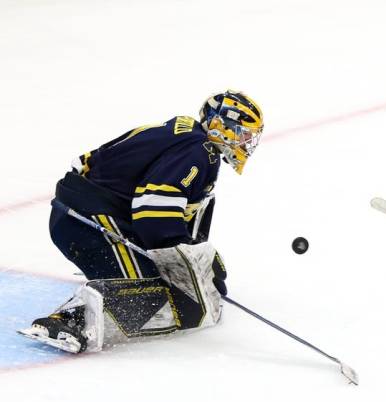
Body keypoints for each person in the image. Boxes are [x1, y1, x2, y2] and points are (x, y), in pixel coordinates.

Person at [18, 90, 264, 353]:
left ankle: (109, 275)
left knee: (171, 288)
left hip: (85, 212)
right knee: (153, 297)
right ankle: (69, 322)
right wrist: (188, 261)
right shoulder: (200, 151)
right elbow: (153, 210)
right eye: (243, 133)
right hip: (88, 219)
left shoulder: (185, 135)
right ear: (221, 126)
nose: (247, 142)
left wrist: (191, 256)